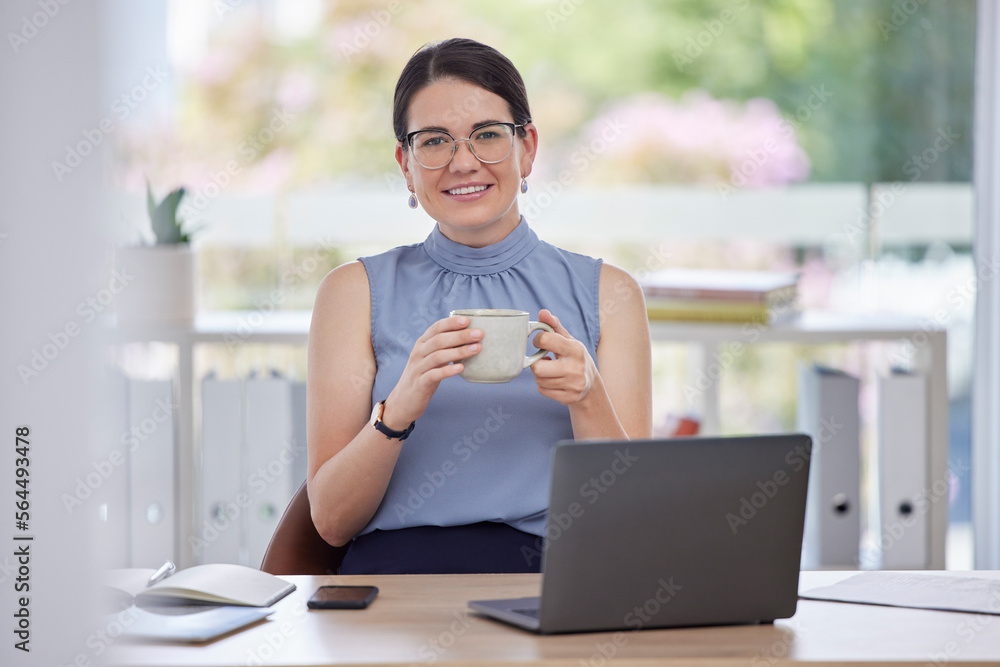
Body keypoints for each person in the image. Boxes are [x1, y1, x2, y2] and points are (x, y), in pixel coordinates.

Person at [306, 37, 651, 574]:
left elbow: (629, 522)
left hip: (559, 585)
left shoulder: (611, 293)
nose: (463, 162)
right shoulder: (353, 293)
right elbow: (330, 522)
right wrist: (398, 410)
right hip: (394, 594)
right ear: (406, 164)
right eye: (435, 141)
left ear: (528, 147)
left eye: (487, 135)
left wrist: (588, 398)